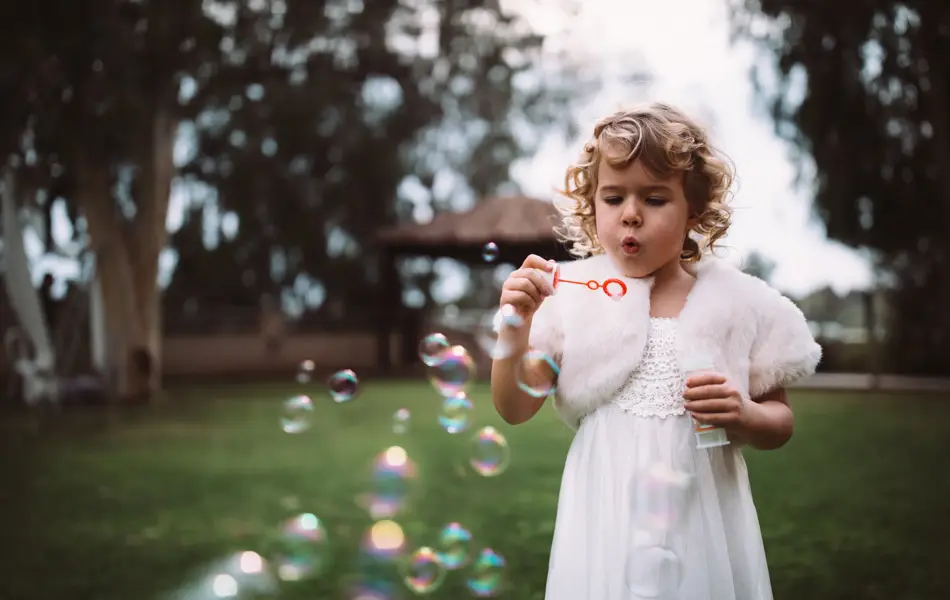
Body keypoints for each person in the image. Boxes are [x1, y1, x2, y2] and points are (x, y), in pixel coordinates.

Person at [491, 103, 822, 600]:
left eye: (654, 197)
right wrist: (515, 329)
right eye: (613, 196)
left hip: (703, 513)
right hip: (606, 514)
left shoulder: (736, 304)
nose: (630, 213)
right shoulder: (572, 298)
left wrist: (747, 414)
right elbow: (515, 408)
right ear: (592, 205)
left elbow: (781, 421)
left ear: (695, 209)